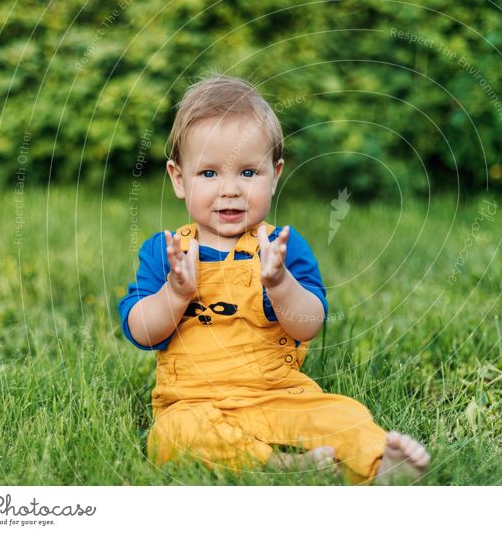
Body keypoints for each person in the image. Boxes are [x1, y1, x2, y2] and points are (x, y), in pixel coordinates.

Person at [118, 74, 429, 484]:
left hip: (279, 394)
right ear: (179, 178)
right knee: (172, 436)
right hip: (192, 402)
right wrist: (175, 294)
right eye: (208, 174)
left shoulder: (280, 247)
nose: (230, 190)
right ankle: (280, 465)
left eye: (248, 173)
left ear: (274, 174)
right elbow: (141, 330)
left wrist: (280, 282)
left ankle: (381, 465)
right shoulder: (166, 251)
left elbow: (309, 325)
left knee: (342, 414)